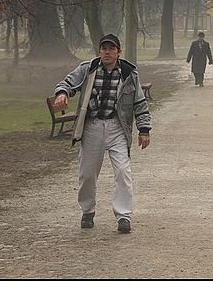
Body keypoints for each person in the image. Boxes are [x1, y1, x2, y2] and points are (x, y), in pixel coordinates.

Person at [53, 33, 151, 233]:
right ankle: (87, 210)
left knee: (123, 171)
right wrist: (62, 94)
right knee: (87, 174)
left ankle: (124, 216)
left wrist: (144, 129)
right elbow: (67, 83)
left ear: (118, 52)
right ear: (99, 51)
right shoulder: (87, 69)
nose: (107, 52)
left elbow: (140, 103)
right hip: (92, 127)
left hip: (117, 127)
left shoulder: (129, 73)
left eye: (111, 49)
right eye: (104, 48)